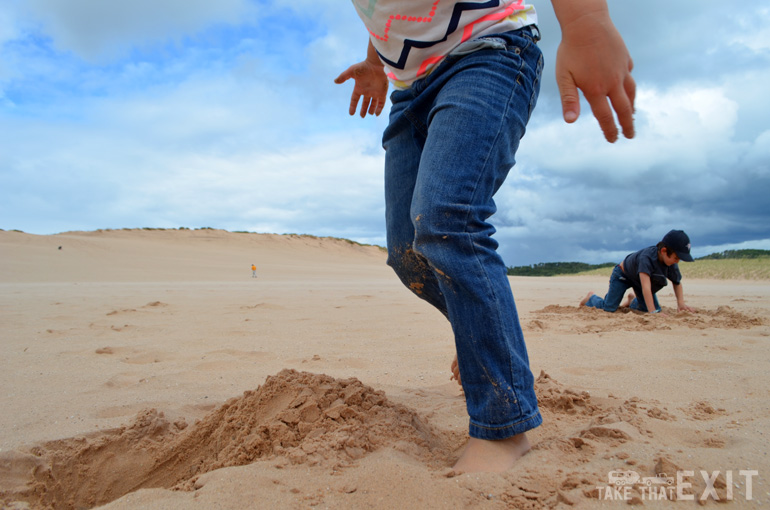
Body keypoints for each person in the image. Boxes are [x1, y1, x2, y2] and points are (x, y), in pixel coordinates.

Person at [335, 0, 635, 473]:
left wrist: (584, 22)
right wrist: (375, 62)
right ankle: (477, 334)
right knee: (406, 255)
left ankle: (504, 426)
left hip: (489, 49)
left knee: (447, 221)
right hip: (408, 90)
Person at [580, 230, 697, 314]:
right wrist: (653, 312)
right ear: (664, 251)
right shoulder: (647, 258)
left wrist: (680, 303)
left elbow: (677, 283)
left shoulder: (671, 263)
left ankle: (632, 300)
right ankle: (591, 298)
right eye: (676, 258)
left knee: (647, 308)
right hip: (623, 275)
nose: (677, 262)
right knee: (609, 308)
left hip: (639, 282)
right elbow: (646, 288)